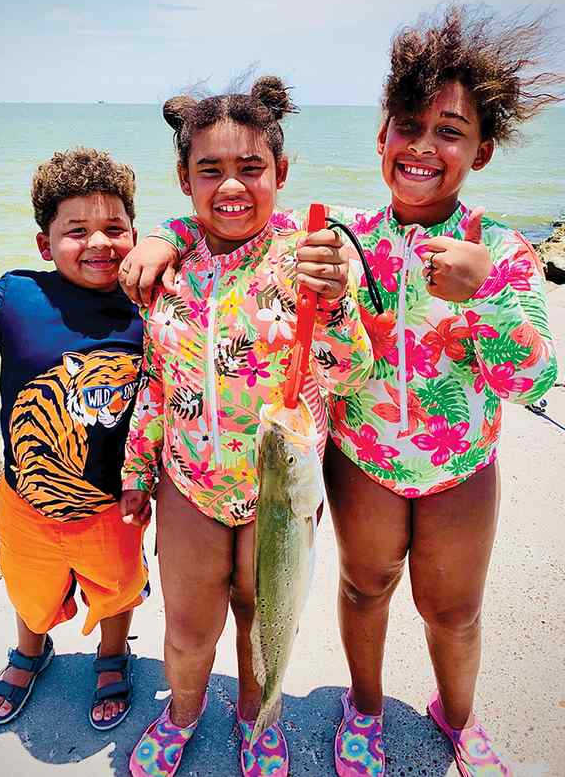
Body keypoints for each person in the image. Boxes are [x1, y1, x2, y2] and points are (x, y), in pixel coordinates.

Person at [118, 6, 561, 776]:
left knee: (452, 612)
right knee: (364, 588)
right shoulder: (345, 231)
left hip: (459, 468)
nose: (424, 145)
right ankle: (360, 705)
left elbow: (532, 378)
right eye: (407, 125)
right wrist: (164, 230)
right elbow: (228, 223)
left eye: (449, 131)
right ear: (382, 135)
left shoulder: (503, 251)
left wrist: (485, 290)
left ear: (482, 149)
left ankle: (455, 717)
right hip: (357, 463)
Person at [121, 76, 374, 777]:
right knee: (189, 624)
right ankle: (181, 712)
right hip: (190, 484)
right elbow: (155, 378)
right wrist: (138, 471)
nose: (231, 185)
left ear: (281, 174)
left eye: (250, 168)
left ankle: (260, 718)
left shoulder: (309, 256)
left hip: (281, 494)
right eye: (210, 170)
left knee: (264, 620)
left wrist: (337, 301)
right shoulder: (166, 268)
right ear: (183, 179)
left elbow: (351, 374)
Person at [0, 147, 152, 731]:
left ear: (136, 233)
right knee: (30, 592)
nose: (99, 242)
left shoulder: (149, 306)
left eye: (114, 228)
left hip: (112, 503)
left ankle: (111, 654)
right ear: (44, 244)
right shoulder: (17, 295)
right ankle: (31, 649)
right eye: (76, 231)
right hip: (26, 499)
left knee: (118, 590)